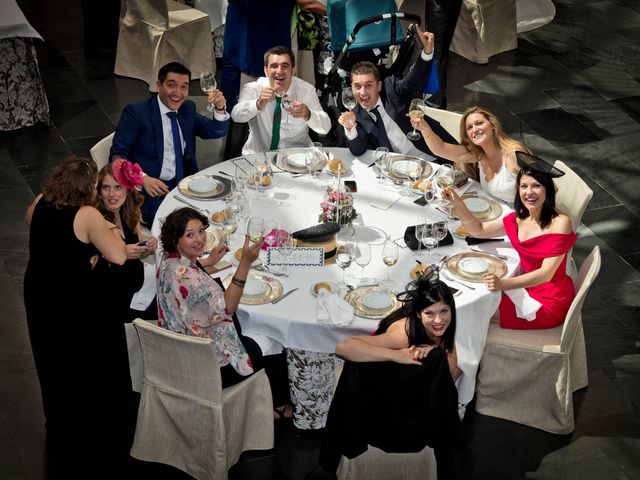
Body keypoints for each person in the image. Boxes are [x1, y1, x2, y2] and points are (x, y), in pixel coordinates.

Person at [23, 156, 131, 474]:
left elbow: (30, 220)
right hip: (71, 299)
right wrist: (109, 228)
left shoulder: (43, 200)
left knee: (48, 354)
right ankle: (86, 422)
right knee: (78, 357)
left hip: (38, 291)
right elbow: (119, 256)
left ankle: (56, 416)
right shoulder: (85, 215)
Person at [314, 275, 462, 480]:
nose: (438, 320)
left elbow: (452, 370)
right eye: (430, 313)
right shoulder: (403, 333)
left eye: (444, 311)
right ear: (418, 314)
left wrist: (432, 351)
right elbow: (343, 348)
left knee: (439, 371)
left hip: (406, 384)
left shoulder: (443, 327)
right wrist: (396, 355)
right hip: (379, 390)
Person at [157, 207, 292, 415]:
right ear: (176, 240)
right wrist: (245, 263)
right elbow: (227, 307)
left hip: (178, 353)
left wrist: (209, 262)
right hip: (210, 366)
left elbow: (187, 276)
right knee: (274, 340)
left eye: (201, 231)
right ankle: (279, 408)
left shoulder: (168, 261)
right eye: (189, 235)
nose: (199, 239)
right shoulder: (190, 279)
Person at [443, 152, 576, 330]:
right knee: (458, 309)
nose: (529, 192)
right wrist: (458, 204)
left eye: (536, 186)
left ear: (547, 190)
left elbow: (546, 274)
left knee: (468, 313)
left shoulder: (560, 223)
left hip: (548, 302)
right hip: (523, 286)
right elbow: (479, 230)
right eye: (524, 186)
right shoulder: (519, 218)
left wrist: (502, 284)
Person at [110, 62, 230, 224]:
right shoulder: (136, 113)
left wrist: (220, 108)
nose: (178, 93)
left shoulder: (186, 108)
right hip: (151, 191)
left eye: (184, 87)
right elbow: (117, 157)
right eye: (172, 85)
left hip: (186, 184)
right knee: (179, 227)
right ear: (158, 85)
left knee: (220, 214)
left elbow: (215, 131)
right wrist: (142, 178)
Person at [337, 25, 456, 162]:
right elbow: (359, 151)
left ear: (379, 85)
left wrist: (427, 51)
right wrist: (350, 129)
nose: (362, 92)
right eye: (357, 86)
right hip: (399, 171)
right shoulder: (355, 114)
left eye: (368, 85)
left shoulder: (391, 89)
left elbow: (414, 80)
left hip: (438, 155)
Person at [411, 105, 529, 204]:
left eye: (479, 123)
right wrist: (425, 129)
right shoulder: (479, 153)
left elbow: (541, 190)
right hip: (491, 208)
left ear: (493, 125)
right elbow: (440, 149)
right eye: (469, 127)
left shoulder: (513, 155)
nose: (475, 129)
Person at [231, 45, 332, 154]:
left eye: (285, 66)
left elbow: (325, 128)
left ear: (293, 70)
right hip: (259, 158)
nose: (279, 71)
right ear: (266, 70)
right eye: (274, 66)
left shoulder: (306, 90)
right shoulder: (253, 88)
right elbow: (236, 116)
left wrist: (308, 114)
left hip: (297, 158)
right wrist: (257, 104)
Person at [95, 159, 158, 322]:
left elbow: (136, 248)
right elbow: (93, 264)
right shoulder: (95, 220)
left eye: (118, 187)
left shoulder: (129, 210)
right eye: (106, 187)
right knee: (176, 303)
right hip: (117, 297)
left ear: (127, 189)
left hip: (139, 279)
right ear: (99, 191)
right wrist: (119, 254)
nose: (111, 194)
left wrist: (148, 247)